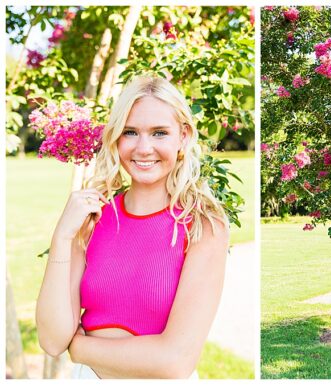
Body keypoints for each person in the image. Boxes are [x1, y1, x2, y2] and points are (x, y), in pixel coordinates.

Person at [35, 75, 230, 379]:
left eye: (159, 133)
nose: (143, 148)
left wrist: (80, 349)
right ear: (116, 138)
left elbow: (175, 361)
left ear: (183, 136)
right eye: (130, 132)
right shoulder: (91, 220)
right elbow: (51, 339)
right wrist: (62, 237)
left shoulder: (202, 225)